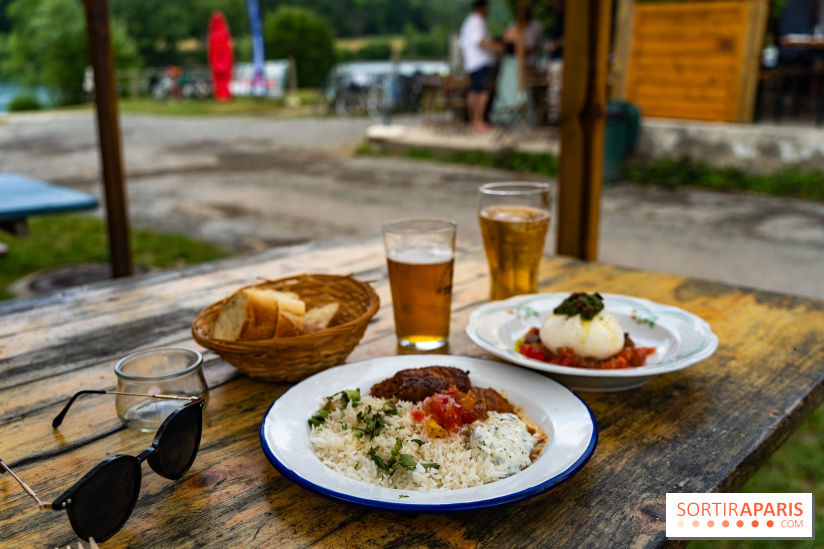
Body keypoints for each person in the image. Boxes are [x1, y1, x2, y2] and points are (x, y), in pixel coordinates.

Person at [459, 0, 503, 132]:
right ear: (482, 8)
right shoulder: (477, 21)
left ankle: (473, 121)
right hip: (480, 62)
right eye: (487, 7)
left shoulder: (468, 22)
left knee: (474, 91)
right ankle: (478, 121)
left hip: (471, 63)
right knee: (483, 91)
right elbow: (480, 41)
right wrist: (497, 47)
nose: (488, 10)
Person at [546, 0, 565, 124]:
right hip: (555, 59)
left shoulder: (565, 17)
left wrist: (555, 44)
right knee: (554, 89)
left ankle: (555, 118)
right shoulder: (558, 16)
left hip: (560, 59)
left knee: (556, 88)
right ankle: (553, 116)